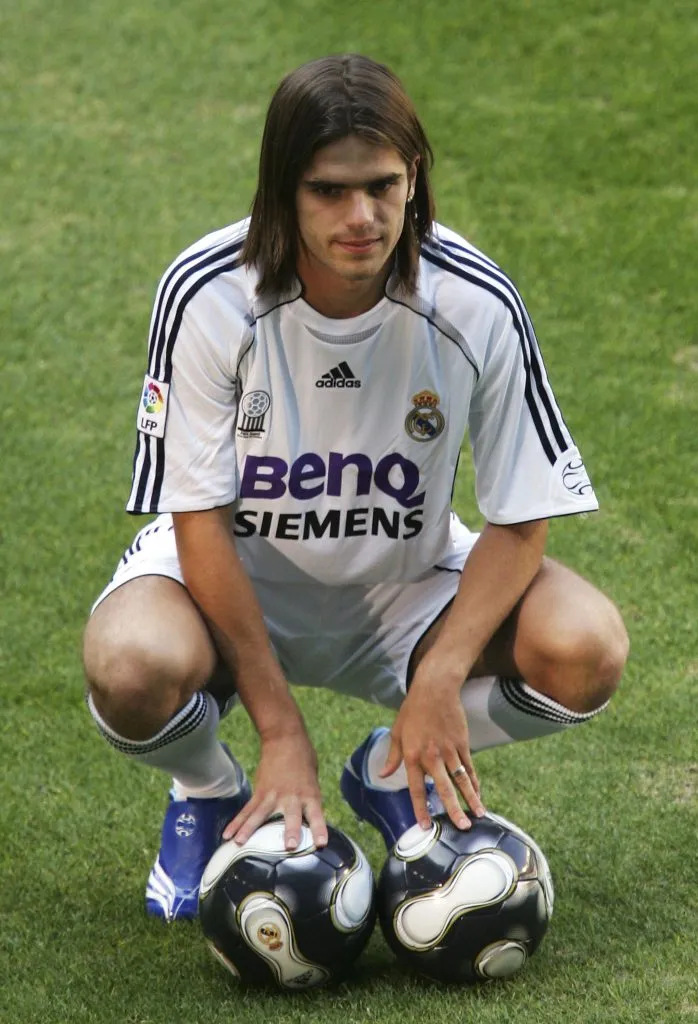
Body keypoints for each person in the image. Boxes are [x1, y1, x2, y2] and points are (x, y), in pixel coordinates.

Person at [83, 53, 629, 923]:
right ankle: (208, 792)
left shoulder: (475, 300)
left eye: (382, 184)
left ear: (415, 178)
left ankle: (387, 771)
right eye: (328, 191)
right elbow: (197, 517)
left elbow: (521, 518)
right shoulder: (208, 294)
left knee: (587, 647)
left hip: (406, 582)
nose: (361, 217)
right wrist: (276, 727)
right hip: (236, 579)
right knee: (129, 664)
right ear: (282, 191)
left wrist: (441, 679)